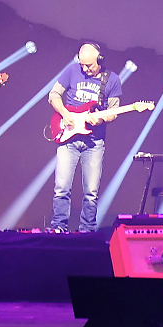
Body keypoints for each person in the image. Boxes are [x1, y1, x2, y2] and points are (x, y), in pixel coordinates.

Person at [47, 42, 121, 234]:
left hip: (94, 142)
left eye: (89, 65)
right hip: (68, 138)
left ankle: (87, 230)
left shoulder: (112, 79)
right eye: (82, 65)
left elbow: (113, 112)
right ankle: (58, 226)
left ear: (100, 60)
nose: (85, 69)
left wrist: (100, 120)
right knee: (61, 187)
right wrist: (64, 113)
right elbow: (54, 95)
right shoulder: (72, 71)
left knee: (91, 192)